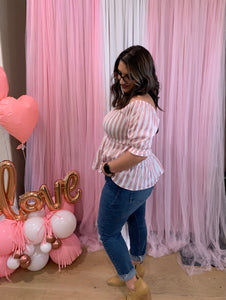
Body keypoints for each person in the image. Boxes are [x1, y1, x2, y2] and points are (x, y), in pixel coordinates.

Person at [93, 45, 164, 300]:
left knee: (107, 231)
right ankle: (135, 266)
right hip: (136, 181)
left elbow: (139, 152)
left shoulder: (141, 106)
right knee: (135, 221)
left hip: (125, 181)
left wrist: (109, 167)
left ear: (142, 75)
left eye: (127, 76)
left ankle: (135, 286)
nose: (121, 81)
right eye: (119, 74)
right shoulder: (136, 100)